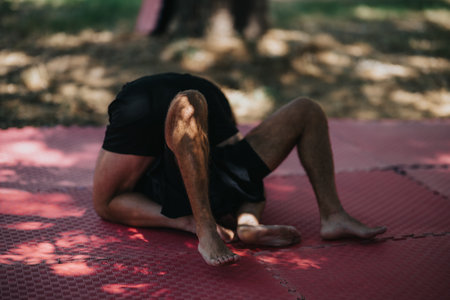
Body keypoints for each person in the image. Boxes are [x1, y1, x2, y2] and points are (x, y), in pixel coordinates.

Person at [93, 73, 387, 266]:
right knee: (190, 104)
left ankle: (333, 215)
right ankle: (205, 228)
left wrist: (249, 222)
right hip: (174, 191)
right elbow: (105, 204)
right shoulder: (140, 107)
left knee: (306, 108)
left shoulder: (200, 101)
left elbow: (245, 178)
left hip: (209, 164)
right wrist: (187, 222)